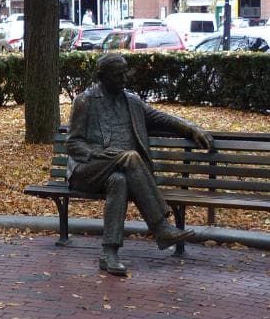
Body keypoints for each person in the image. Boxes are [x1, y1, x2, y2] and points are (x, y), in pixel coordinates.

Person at [66, 52, 214, 276]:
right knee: (130, 156)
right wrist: (99, 153)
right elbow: (73, 143)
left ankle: (109, 253)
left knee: (119, 181)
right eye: (118, 75)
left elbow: (163, 119)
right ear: (101, 76)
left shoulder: (132, 102)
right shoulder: (85, 101)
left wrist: (192, 128)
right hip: (87, 171)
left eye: (125, 74)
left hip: (117, 175)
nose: (124, 79)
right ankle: (160, 227)